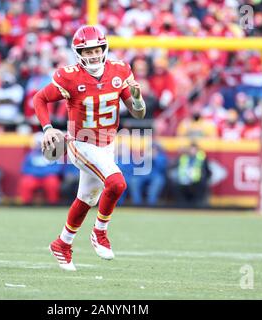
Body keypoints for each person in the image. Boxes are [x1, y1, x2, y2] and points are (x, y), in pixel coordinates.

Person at [33, 25, 146, 271]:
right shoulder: (70, 76)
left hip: (107, 144)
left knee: (86, 199)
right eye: (87, 51)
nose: (93, 56)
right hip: (80, 143)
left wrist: (136, 98)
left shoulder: (119, 71)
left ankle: (62, 244)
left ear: (104, 49)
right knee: (116, 183)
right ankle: (100, 232)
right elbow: (39, 98)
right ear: (78, 54)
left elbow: (138, 113)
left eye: (96, 50)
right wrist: (48, 128)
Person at [18, 133, 62, 205]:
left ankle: (53, 203)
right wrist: (39, 172)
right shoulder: (30, 155)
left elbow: (57, 169)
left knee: (53, 182)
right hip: (33, 177)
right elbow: (24, 169)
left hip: (48, 177)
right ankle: (26, 203)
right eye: (38, 143)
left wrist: (41, 172)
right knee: (26, 182)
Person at [169, 141, 212, 208]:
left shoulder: (201, 158)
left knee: (200, 187)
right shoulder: (183, 157)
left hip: (196, 182)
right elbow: (173, 166)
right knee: (175, 186)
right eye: (191, 149)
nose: (192, 151)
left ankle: (198, 205)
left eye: (194, 149)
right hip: (183, 182)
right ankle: (181, 205)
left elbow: (207, 172)